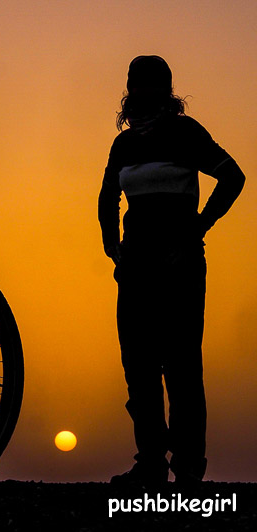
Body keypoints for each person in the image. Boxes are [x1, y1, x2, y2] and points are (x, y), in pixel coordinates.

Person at [98, 55, 245, 487]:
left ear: (166, 91)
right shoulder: (123, 145)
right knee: (139, 368)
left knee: (181, 368)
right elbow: (107, 198)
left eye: (147, 85)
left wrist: (199, 226)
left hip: (180, 266)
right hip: (137, 268)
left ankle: (188, 468)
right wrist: (113, 249)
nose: (140, 93)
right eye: (135, 85)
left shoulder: (186, 134)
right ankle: (150, 463)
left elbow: (232, 177)